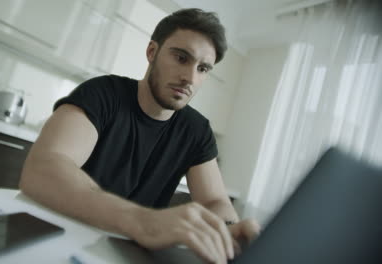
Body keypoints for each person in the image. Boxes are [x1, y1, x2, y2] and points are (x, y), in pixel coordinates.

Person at [20, 8, 260, 264]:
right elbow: (45, 168)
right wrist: (142, 221)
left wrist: (226, 231)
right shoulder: (102, 94)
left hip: (125, 254)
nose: (189, 78)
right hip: (58, 238)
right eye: (181, 58)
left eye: (202, 68)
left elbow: (214, 200)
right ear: (152, 52)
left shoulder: (197, 130)